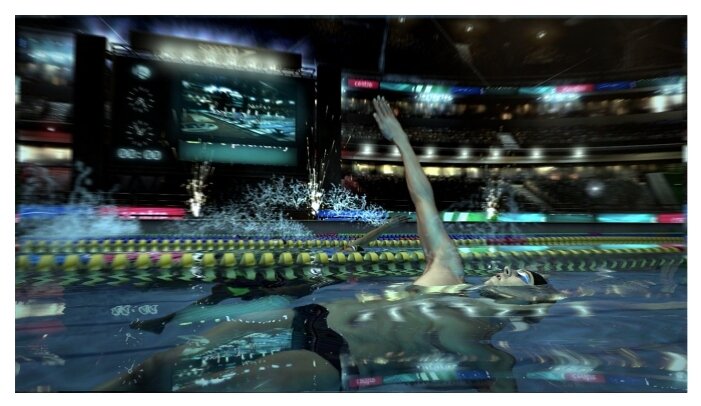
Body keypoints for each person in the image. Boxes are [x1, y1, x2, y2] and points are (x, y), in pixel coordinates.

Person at [98, 97, 556, 392]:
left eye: (517, 276)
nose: (502, 271)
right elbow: (424, 199)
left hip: (340, 358)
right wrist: (401, 141)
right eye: (508, 269)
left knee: (214, 390)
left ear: (532, 301)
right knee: (162, 364)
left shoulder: (489, 350)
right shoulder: (448, 272)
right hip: (311, 316)